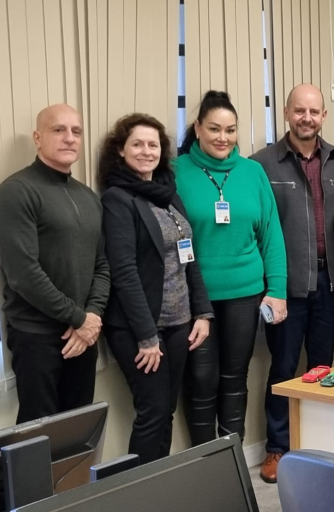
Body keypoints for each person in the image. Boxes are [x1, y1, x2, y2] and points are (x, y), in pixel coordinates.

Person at [249, 84, 334, 483]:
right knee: (284, 368)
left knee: (325, 367)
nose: (307, 117)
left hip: (331, 284)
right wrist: (267, 285)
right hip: (285, 289)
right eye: (299, 111)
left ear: (323, 116)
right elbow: (258, 229)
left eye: (314, 111)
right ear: (287, 114)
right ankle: (278, 449)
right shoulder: (262, 164)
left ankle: (320, 443)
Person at [98, 113, 213, 464]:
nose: (146, 151)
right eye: (137, 144)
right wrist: (147, 336)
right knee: (152, 412)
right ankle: (140, 495)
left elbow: (188, 258)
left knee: (167, 412)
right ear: (121, 150)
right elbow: (124, 271)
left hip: (179, 322)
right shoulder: (117, 200)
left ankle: (159, 485)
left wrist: (203, 312)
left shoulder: (168, 196)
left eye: (153, 145)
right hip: (139, 329)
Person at [175, 90, 288, 447]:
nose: (223, 137)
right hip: (197, 297)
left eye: (230, 129)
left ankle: (232, 459)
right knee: (201, 379)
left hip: (245, 293)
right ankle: (205, 465)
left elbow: (271, 235)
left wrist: (278, 289)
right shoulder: (174, 172)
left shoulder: (252, 172)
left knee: (234, 377)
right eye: (214, 129)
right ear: (197, 128)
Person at [0, 104, 110, 423]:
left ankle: (76, 478)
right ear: (38, 138)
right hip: (37, 336)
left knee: (79, 429)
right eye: (59, 130)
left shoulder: (88, 197)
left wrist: (92, 317)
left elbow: (102, 264)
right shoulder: (15, 192)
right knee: (38, 435)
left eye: (76, 131)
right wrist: (78, 318)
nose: (69, 138)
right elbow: (23, 274)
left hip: (84, 334)